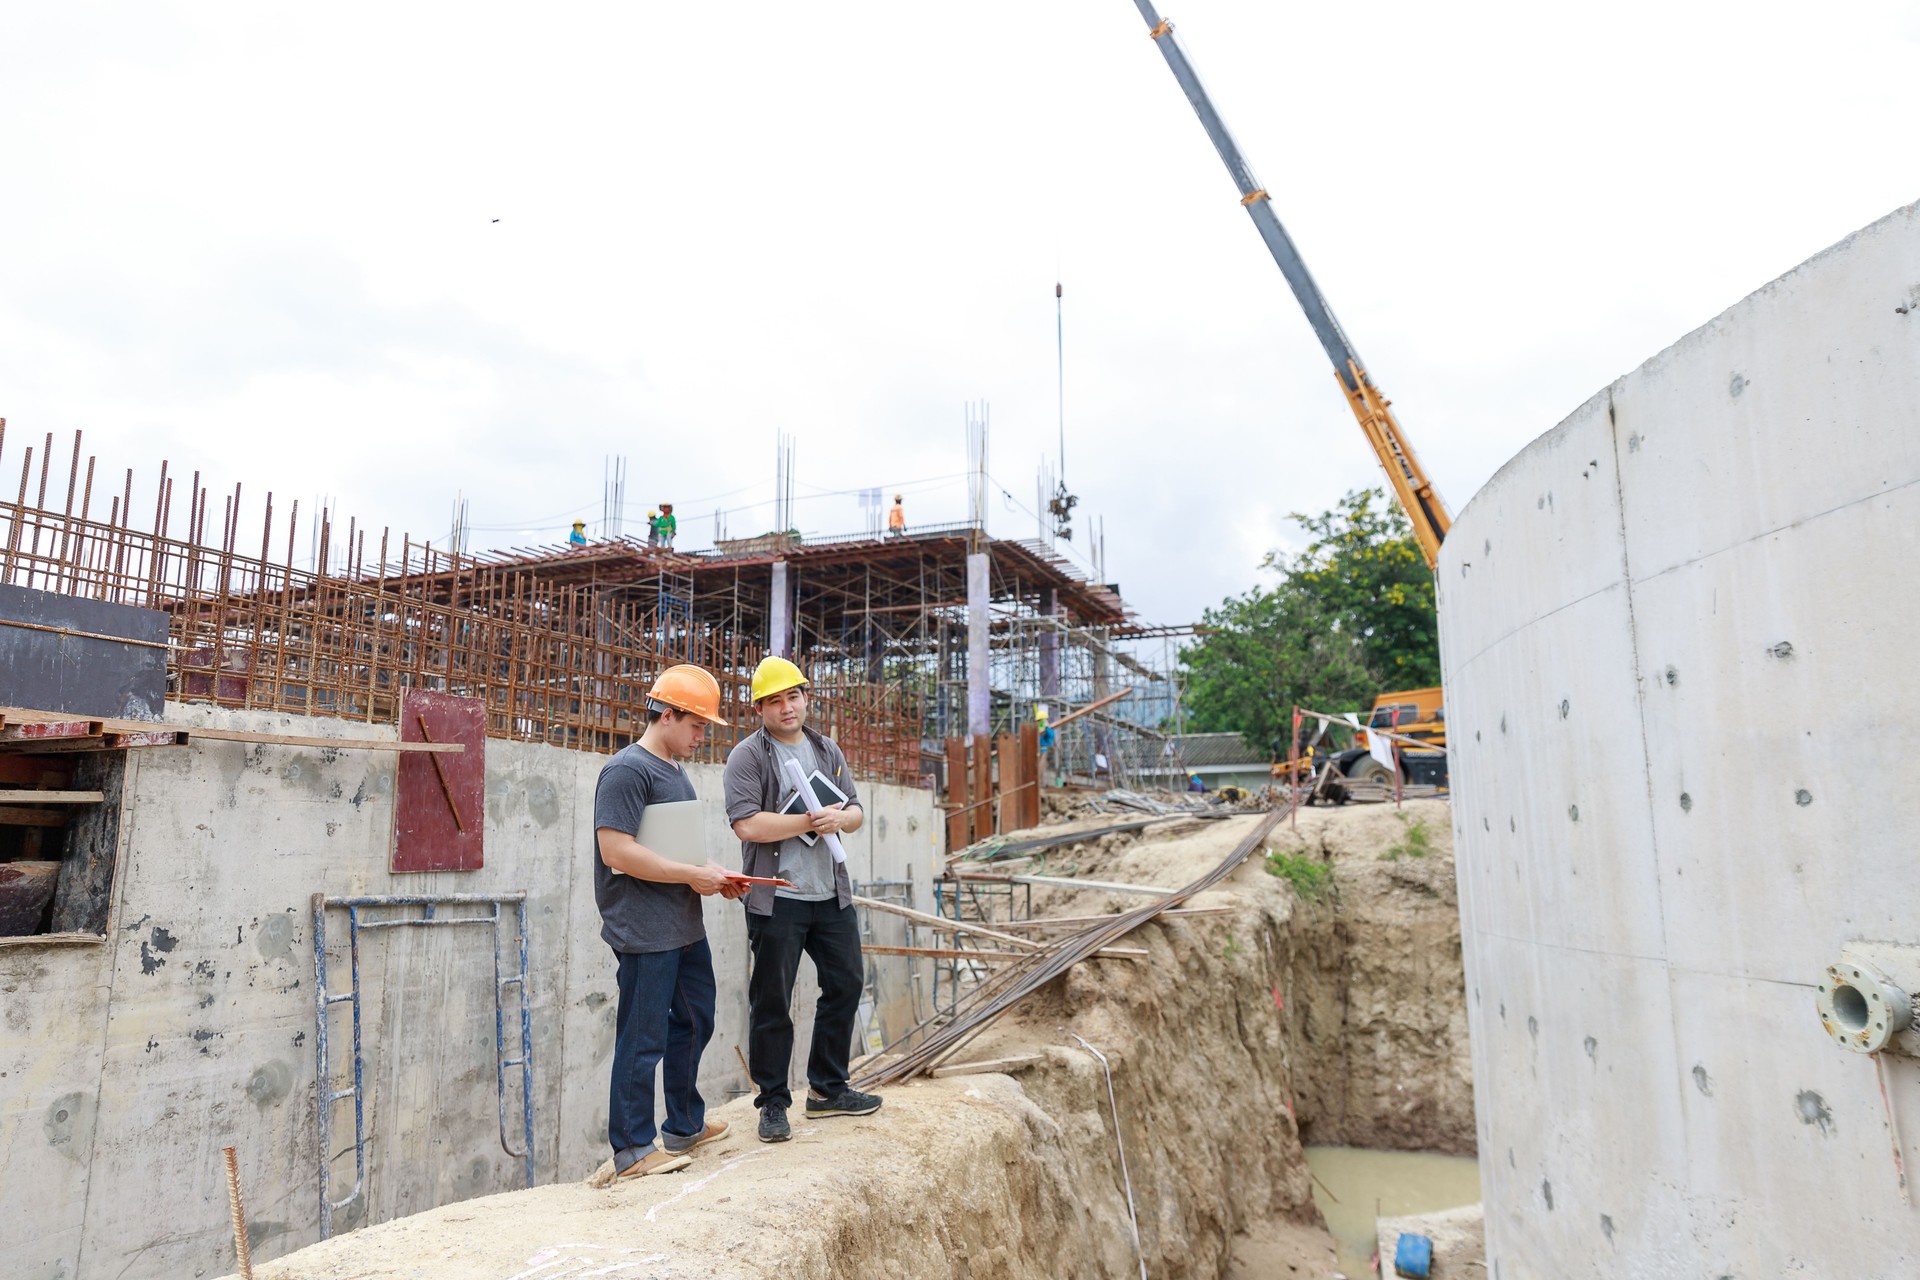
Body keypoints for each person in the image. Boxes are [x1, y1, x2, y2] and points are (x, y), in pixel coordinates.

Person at [593, 664, 747, 1179]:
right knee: (643, 1037)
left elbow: (671, 849)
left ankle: (684, 1124)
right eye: (697, 725)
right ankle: (633, 1149)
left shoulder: (675, 772)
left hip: (682, 923)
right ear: (667, 715)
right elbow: (616, 851)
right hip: (644, 928)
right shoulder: (626, 770)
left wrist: (710, 874)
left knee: (695, 1019)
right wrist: (690, 874)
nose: (702, 737)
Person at [723, 655, 882, 1143]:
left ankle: (828, 1089)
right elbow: (747, 823)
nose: (787, 707)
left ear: (805, 698)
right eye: (775, 700)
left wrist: (841, 820)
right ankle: (773, 1101)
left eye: (793, 696)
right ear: (759, 708)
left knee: (847, 983)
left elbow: (854, 808)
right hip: (780, 896)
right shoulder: (748, 757)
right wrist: (810, 821)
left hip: (830, 893)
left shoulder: (825, 747)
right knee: (772, 999)